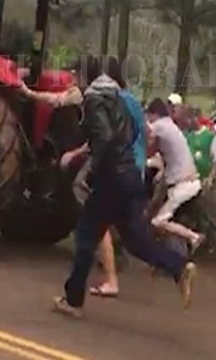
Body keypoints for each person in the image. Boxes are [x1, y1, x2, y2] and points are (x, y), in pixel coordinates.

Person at [52, 57, 196, 318]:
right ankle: (178, 267)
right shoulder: (118, 98)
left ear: (83, 77)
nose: (73, 81)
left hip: (111, 179)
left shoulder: (94, 99)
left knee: (85, 236)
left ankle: (73, 301)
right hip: (130, 175)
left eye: (74, 75)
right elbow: (130, 134)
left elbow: (105, 137)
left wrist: (93, 168)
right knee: (135, 240)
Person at [84, 57, 148, 298]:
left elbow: (111, 136)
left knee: (103, 221)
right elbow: (144, 133)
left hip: (122, 165)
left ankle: (110, 273)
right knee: (124, 221)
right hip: (135, 165)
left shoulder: (116, 101)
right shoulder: (132, 100)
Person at [146, 98, 206, 254]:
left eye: (149, 116)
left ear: (154, 114)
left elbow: (145, 133)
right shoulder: (170, 126)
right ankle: (178, 249)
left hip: (183, 186)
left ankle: (193, 237)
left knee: (159, 221)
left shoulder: (159, 125)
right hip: (190, 183)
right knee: (166, 219)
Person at [185, 113, 216, 266]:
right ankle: (201, 250)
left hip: (206, 183)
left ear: (195, 118)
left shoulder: (210, 136)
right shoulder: (188, 136)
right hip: (192, 182)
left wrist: (211, 179)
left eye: (189, 118)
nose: (187, 122)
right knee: (197, 218)